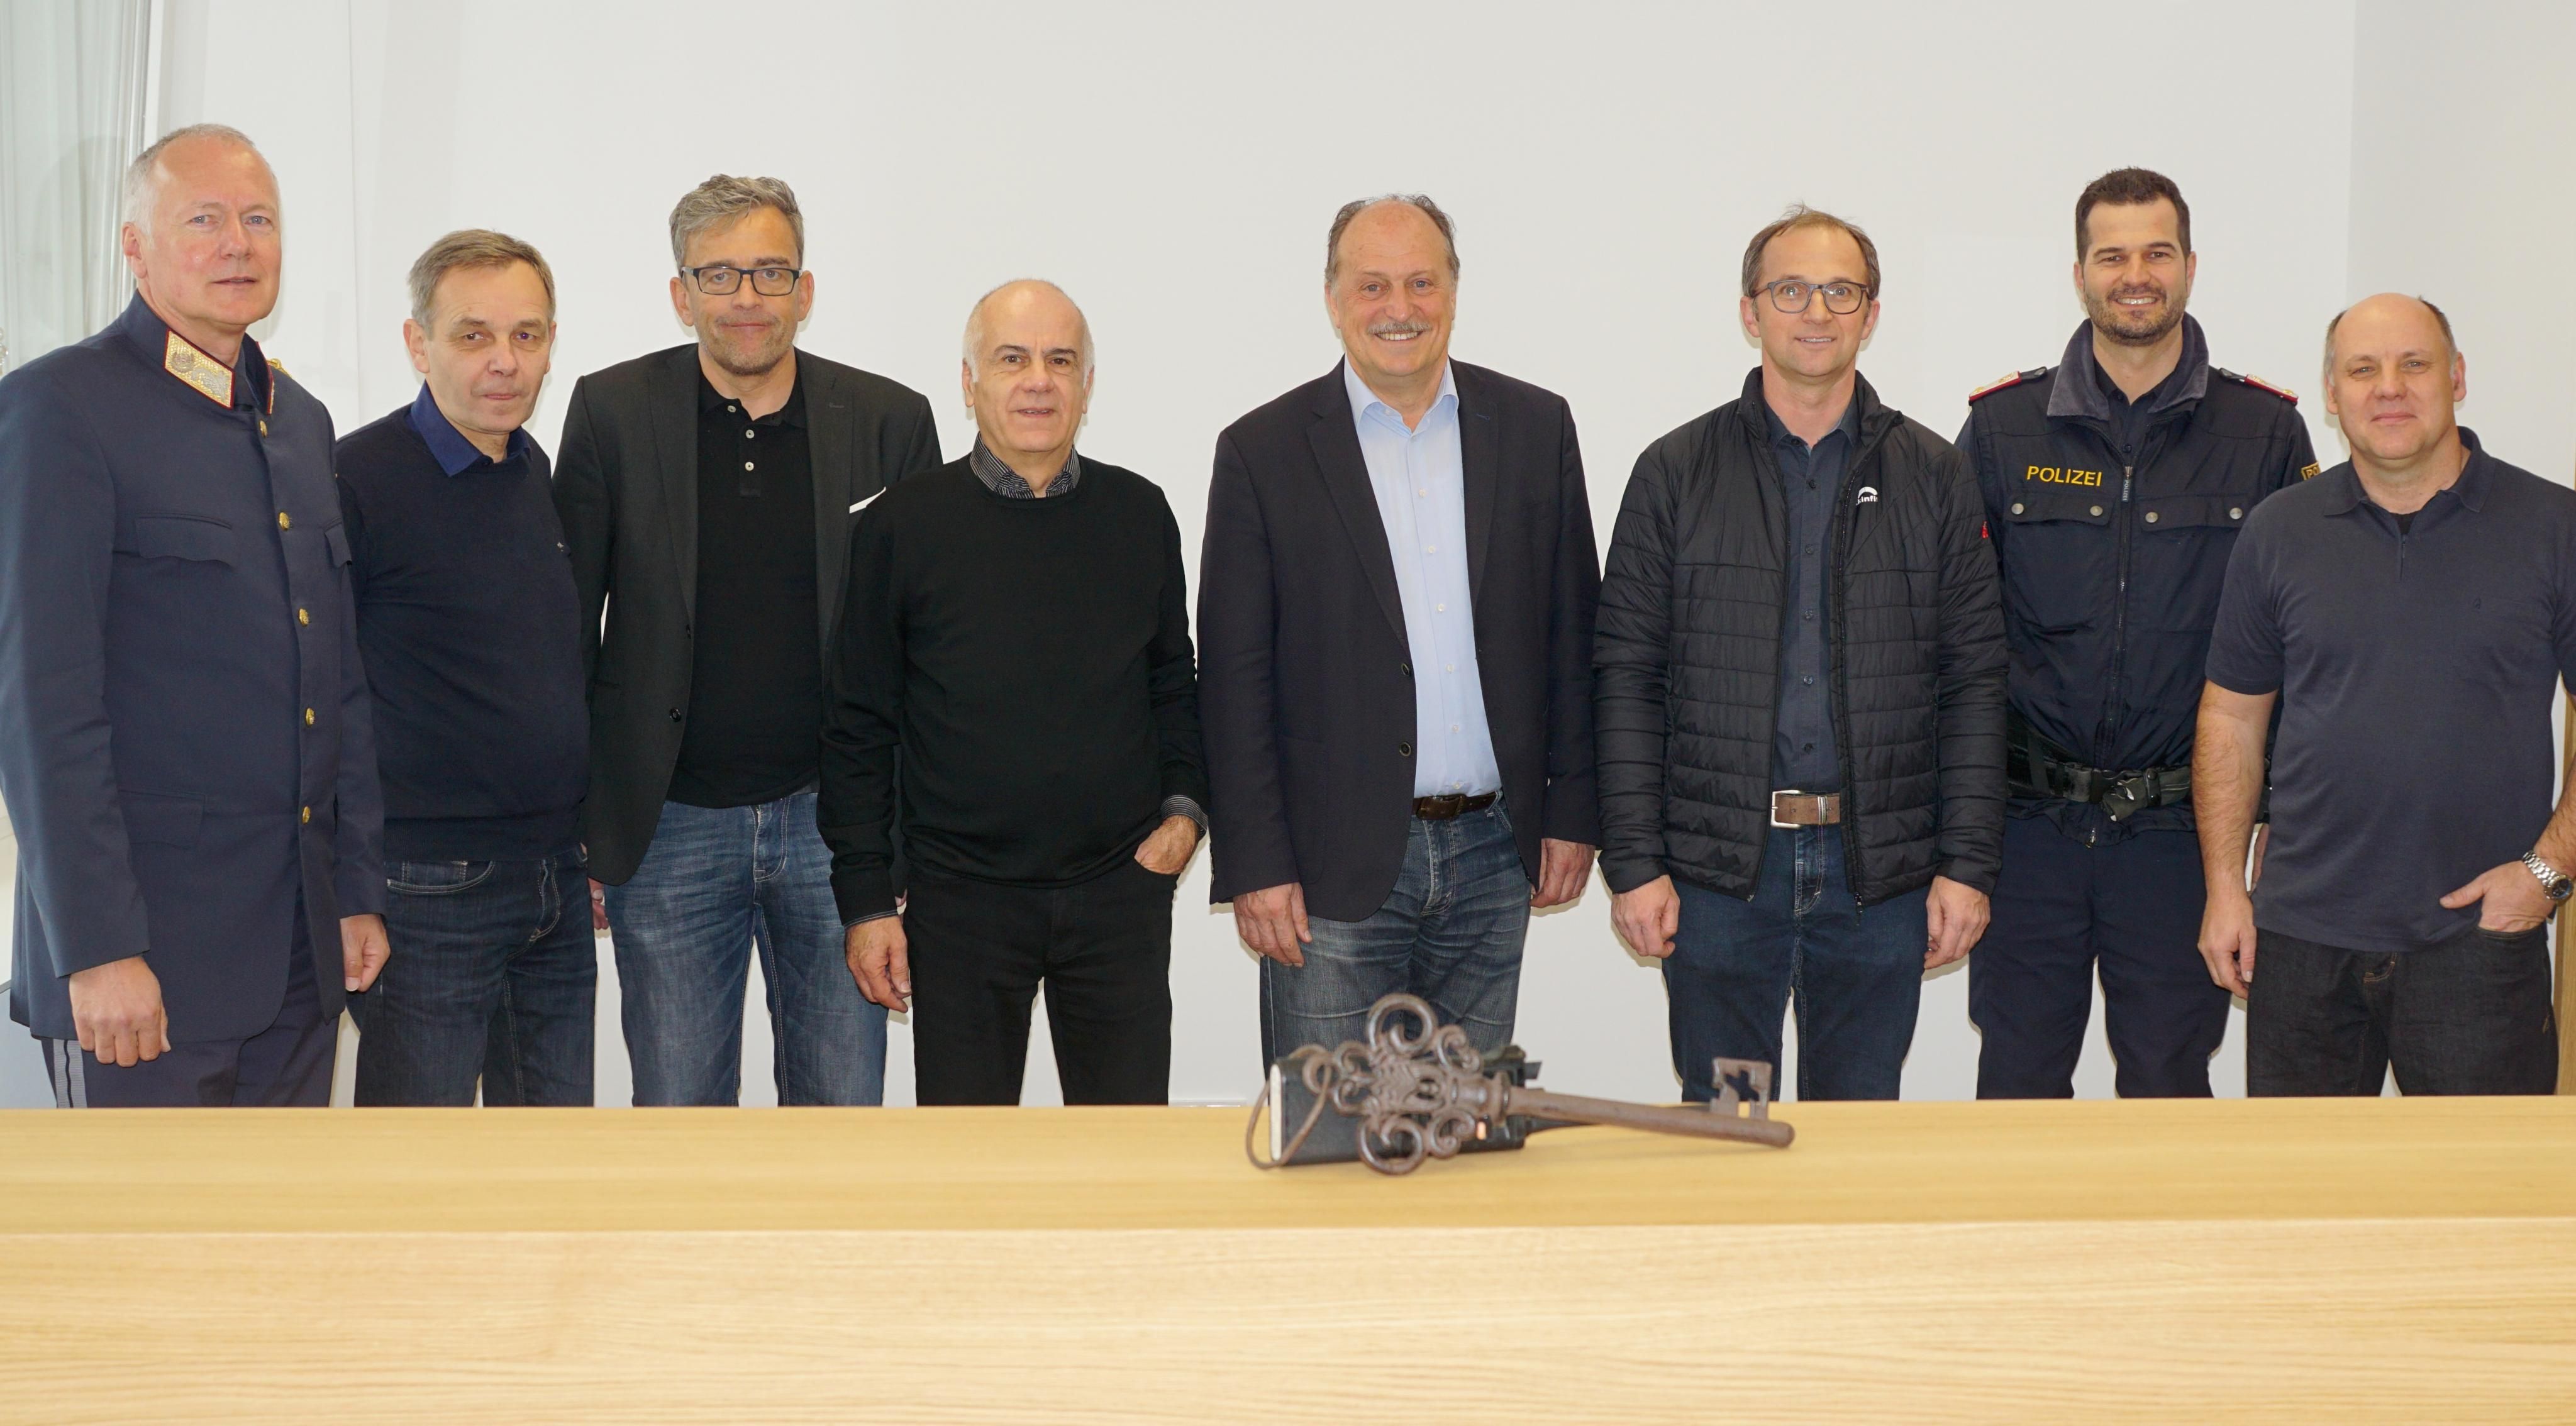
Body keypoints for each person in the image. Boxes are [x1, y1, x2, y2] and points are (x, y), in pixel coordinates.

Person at [0, 124, 386, 1106]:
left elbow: (337, 681)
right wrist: (98, 948)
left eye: (259, 219)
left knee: (282, 1213)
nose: (237, 244)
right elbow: (43, 707)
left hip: (299, 958)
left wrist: (354, 894)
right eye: (204, 220)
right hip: (145, 973)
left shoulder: (300, 422)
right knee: (137, 1217)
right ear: (135, 247)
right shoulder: (59, 407)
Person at [1596, 206, 2005, 1102]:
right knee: (1728, 1129)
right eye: (1790, 290)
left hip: (1878, 881)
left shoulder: (1935, 476)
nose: (1816, 312)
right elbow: (1627, 679)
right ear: (1751, 312)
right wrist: (1634, 864)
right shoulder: (1675, 472)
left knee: (1857, 1129)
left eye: (1839, 291)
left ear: (1871, 313)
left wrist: (1967, 866)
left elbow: (1974, 685)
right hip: (1719, 881)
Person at [553, 175, 939, 1105]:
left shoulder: (890, 421)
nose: (747, 298)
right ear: (680, 294)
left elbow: (928, 653)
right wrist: (587, 825)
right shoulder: (611, 412)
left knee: (840, 1112)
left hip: (837, 832)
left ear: (805, 290)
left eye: (770, 272)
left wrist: (904, 844)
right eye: (718, 275)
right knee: (680, 1115)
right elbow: (566, 631)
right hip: (667, 828)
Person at [1199, 195, 1601, 1063]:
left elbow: (1575, 638)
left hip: (1495, 854)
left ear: (1453, 291)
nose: (1400, 308)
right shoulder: (1262, 452)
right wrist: (1256, 864)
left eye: (1421, 282)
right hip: (1328, 871)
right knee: (1330, 1125)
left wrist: (1573, 812)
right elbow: (1233, 682)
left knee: (1466, 1122)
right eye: (1373, 285)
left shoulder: (1537, 429)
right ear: (1333, 298)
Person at [1955, 169, 2316, 1099]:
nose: (2135, 275)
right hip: (2027, 832)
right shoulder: (2002, 429)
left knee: (2168, 1088)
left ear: (2190, 265)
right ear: (2079, 273)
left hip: (2180, 839)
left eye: (2157, 252)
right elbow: (1956, 640)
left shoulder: (2265, 433)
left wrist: (2273, 822)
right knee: (2016, 1087)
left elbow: (2302, 651)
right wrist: (1954, 837)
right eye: (2111, 256)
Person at [822, 280, 1206, 1104]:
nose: (1038, 380)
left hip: (1118, 896)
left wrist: (1184, 814)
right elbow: (859, 724)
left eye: (1060, 361)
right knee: (967, 1162)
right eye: (1012, 359)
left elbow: (1174, 682)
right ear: (970, 384)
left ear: (1087, 385)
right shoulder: (900, 526)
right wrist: (866, 900)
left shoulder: (1140, 513)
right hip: (959, 903)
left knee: (1126, 1154)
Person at [2197, 293, 2568, 1097]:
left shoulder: (2553, 526)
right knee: (2299, 1178)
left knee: (2481, 1178)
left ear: (2457, 377)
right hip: (2298, 943)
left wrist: (2544, 876)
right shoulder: (2278, 530)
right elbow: (2230, 717)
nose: (2388, 387)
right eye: (2362, 370)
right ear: (2332, 394)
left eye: (2413, 364)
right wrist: (2226, 890)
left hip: (2478, 941)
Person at [336, 230, 592, 1106]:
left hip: (553, 877)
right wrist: (349, 889)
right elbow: (317, 693)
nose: (505, 361)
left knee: (552, 1160)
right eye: (473, 335)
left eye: (527, 335)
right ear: (419, 345)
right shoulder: (356, 479)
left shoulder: (529, 467)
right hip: (425, 889)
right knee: (416, 1165)